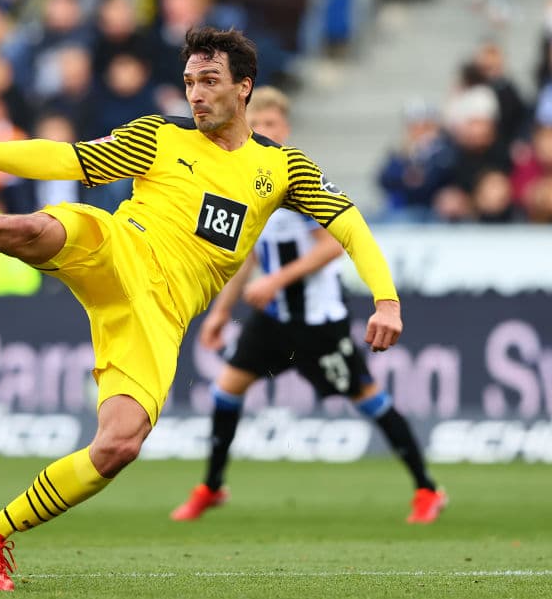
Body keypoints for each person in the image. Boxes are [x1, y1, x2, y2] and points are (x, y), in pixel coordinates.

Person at [0, 27, 403, 591]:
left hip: (159, 316)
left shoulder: (281, 168)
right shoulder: (161, 137)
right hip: (119, 248)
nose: (197, 94)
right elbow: (68, 159)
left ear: (244, 87)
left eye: (210, 81)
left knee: (117, 446)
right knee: (37, 228)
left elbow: (349, 225)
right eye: (189, 82)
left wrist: (386, 299)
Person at [168, 86, 447, 525]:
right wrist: (221, 313)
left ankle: (428, 489)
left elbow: (333, 247)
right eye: (256, 124)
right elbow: (247, 256)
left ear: (286, 128)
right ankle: (213, 487)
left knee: (368, 398)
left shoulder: (297, 179)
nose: (263, 132)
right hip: (274, 319)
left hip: (319, 324)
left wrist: (276, 280)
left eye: (272, 125)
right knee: (226, 390)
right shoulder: (244, 183)